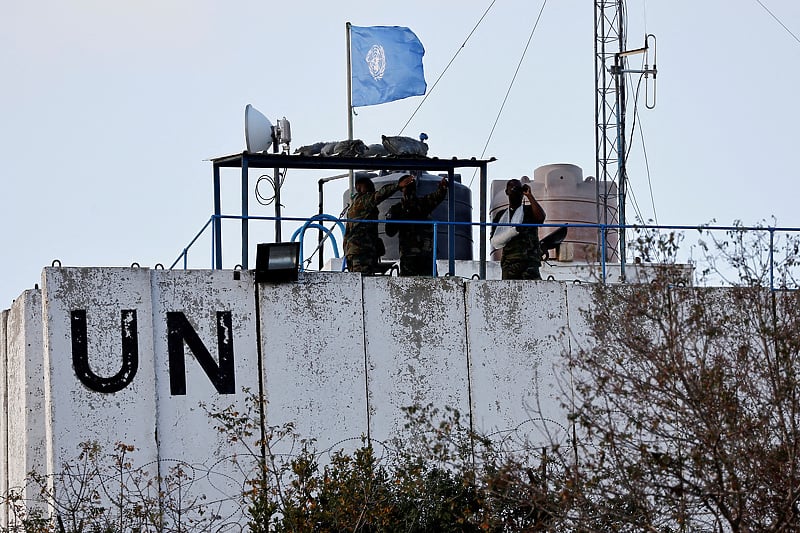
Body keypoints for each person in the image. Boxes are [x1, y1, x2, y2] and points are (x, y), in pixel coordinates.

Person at [343, 174, 415, 274]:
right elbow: (381, 194)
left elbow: (346, 234)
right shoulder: (364, 200)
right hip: (363, 252)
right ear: (360, 187)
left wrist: (346, 252)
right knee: (364, 281)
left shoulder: (353, 207)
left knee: (358, 281)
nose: (372, 188)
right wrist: (398, 186)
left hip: (354, 252)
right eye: (369, 186)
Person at [385, 176, 448, 276]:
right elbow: (439, 195)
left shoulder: (399, 208)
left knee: (412, 285)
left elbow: (389, 232)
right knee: (427, 284)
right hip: (418, 253)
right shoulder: (422, 204)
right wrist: (443, 187)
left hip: (416, 254)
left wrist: (443, 187)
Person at [490, 178, 546, 280]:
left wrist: (529, 195)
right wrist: (512, 232)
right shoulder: (501, 216)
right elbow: (495, 241)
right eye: (512, 188)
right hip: (510, 262)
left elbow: (541, 217)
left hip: (530, 262)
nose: (515, 191)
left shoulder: (529, 210)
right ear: (507, 192)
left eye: (518, 189)